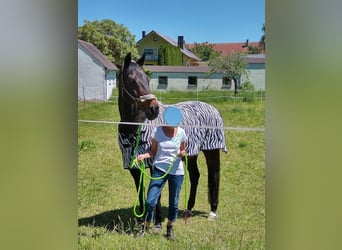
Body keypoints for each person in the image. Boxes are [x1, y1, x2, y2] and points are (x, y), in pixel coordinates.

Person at [136, 106, 187, 240]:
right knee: (150, 201)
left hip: (177, 172)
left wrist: (182, 154)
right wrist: (144, 156)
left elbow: (183, 150)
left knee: (174, 203)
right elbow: (152, 152)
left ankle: (170, 229)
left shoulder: (181, 132)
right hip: (159, 170)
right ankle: (145, 228)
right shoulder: (157, 131)